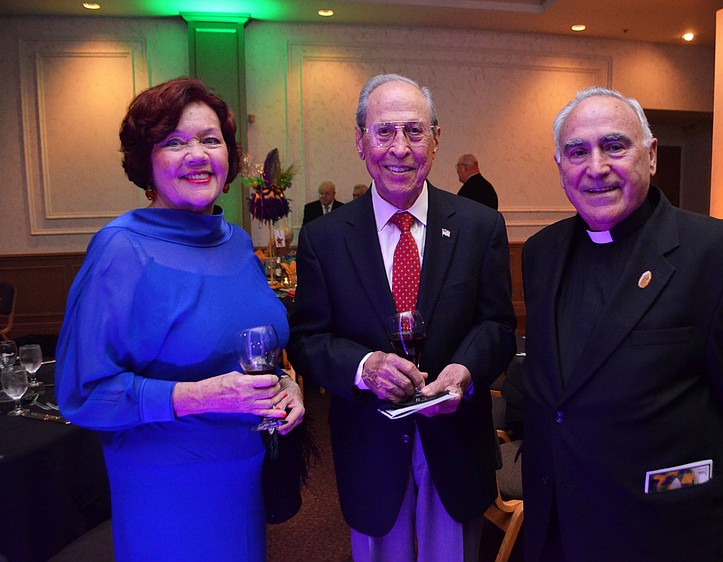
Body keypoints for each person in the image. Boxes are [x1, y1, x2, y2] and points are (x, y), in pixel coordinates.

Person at [520, 86, 723, 561]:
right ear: (560, 167)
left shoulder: (721, 258)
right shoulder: (542, 253)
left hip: (659, 530)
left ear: (651, 154)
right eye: (577, 152)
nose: (595, 168)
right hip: (555, 519)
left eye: (615, 145)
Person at [55, 77, 305, 561]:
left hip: (244, 473)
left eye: (210, 140)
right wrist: (200, 395)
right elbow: (82, 394)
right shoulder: (121, 248)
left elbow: (255, 348)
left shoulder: (234, 241)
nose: (197, 154)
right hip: (166, 485)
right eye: (174, 142)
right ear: (146, 161)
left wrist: (287, 384)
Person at [288, 73, 516, 562]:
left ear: (435, 141)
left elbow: (498, 326)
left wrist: (466, 371)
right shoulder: (323, 239)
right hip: (370, 450)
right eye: (384, 131)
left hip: (455, 443)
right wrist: (363, 366)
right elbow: (307, 340)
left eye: (414, 132)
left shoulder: (480, 226)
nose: (400, 148)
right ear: (360, 141)